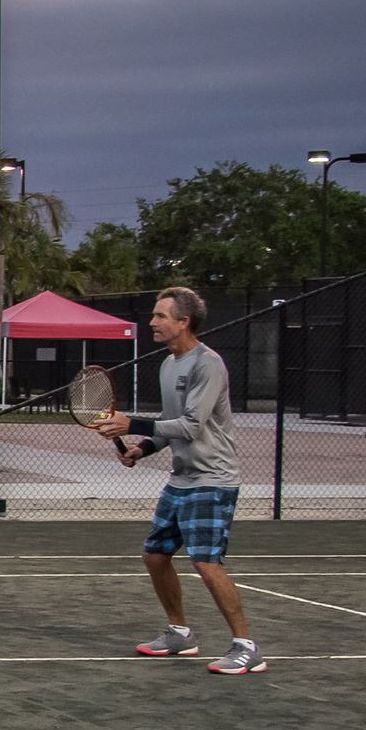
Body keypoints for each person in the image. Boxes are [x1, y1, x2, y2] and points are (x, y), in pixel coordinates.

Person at [91, 286, 265, 675]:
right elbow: (171, 429)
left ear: (183, 322)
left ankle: (246, 646)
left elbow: (191, 424)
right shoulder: (169, 364)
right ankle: (180, 633)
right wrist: (143, 447)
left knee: (206, 563)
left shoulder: (208, 364)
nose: (152, 322)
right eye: (153, 315)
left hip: (213, 480)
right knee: (155, 556)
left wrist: (130, 422)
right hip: (181, 480)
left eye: (161, 316)